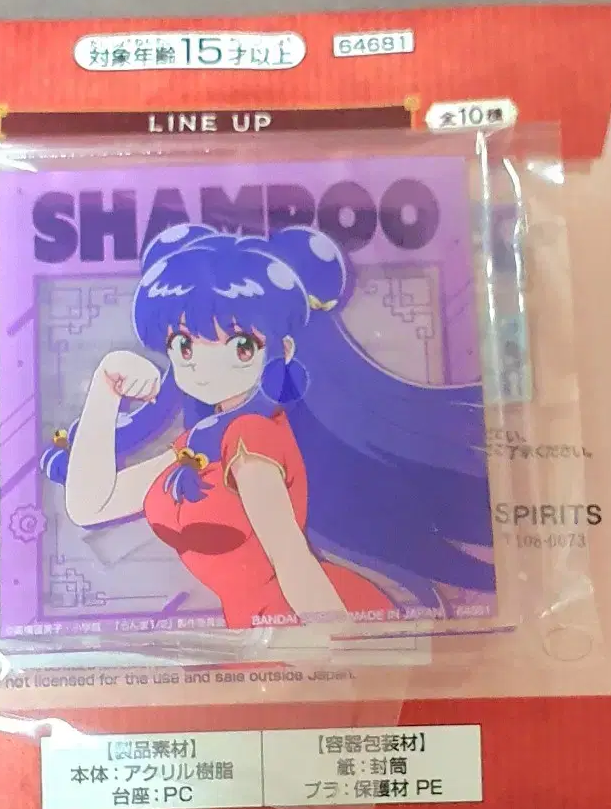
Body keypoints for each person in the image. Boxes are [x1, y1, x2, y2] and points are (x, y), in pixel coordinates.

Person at [40, 222, 494, 630]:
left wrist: (343, 654)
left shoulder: (250, 441)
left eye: (241, 345)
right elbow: (92, 506)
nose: (203, 366)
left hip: (296, 622)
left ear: (284, 349)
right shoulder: (198, 443)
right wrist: (105, 389)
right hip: (258, 629)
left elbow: (291, 558)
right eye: (184, 344)